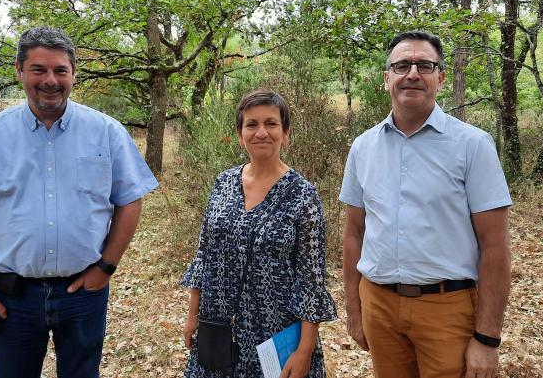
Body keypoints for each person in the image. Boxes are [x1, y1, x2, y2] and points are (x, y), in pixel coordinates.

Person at [0, 27, 158, 378]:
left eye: (60, 70)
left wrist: (106, 267)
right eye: (39, 69)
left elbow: (129, 201)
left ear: (73, 73)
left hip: (83, 294)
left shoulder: (106, 132)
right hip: (12, 297)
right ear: (20, 71)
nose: (50, 80)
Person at [339, 31, 512, 378]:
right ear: (387, 77)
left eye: (425, 65)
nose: (413, 73)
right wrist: (355, 309)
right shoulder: (363, 147)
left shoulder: (472, 145)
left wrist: (487, 338)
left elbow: (495, 246)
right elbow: (355, 233)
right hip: (380, 306)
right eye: (402, 65)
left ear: (441, 77)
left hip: (447, 308)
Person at [181, 90, 337, 378]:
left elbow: (311, 279)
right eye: (251, 124)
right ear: (240, 134)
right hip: (218, 327)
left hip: (274, 336)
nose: (261, 132)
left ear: (285, 133)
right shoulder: (223, 183)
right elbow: (204, 255)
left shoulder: (302, 195)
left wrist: (304, 351)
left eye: (271, 123)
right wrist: (193, 316)